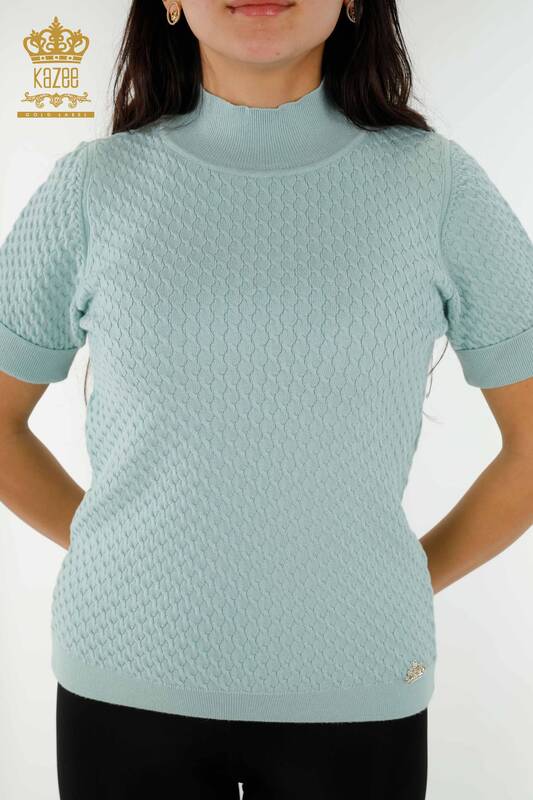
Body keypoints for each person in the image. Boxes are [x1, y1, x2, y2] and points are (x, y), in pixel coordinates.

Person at [1, 1, 533, 797]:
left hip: (356, 684)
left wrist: (400, 578)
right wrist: (112, 546)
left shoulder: (436, 185)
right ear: (168, 1)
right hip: (122, 678)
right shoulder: (95, 186)